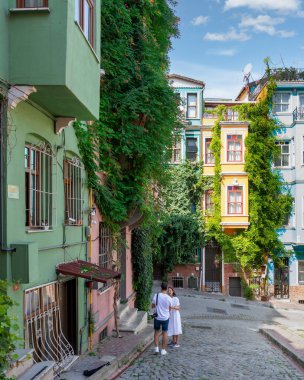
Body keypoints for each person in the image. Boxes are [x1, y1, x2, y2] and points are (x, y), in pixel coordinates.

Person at [151, 282, 172, 355]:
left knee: (156, 332)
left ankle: (156, 348)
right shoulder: (169, 298)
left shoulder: (156, 295)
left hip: (157, 317)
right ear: (166, 288)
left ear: (161, 288)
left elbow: (152, 306)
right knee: (165, 333)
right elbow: (169, 308)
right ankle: (163, 350)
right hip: (165, 318)